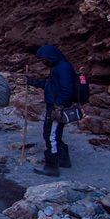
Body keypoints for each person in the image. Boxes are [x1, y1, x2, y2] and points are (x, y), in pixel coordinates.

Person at [26, 44, 76, 177]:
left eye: (44, 60)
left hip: (57, 107)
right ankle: (63, 160)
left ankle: (51, 166)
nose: (44, 63)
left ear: (51, 57)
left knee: (50, 135)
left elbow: (67, 90)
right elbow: (51, 86)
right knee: (55, 134)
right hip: (55, 105)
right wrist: (33, 82)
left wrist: (58, 106)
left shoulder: (63, 68)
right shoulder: (58, 67)